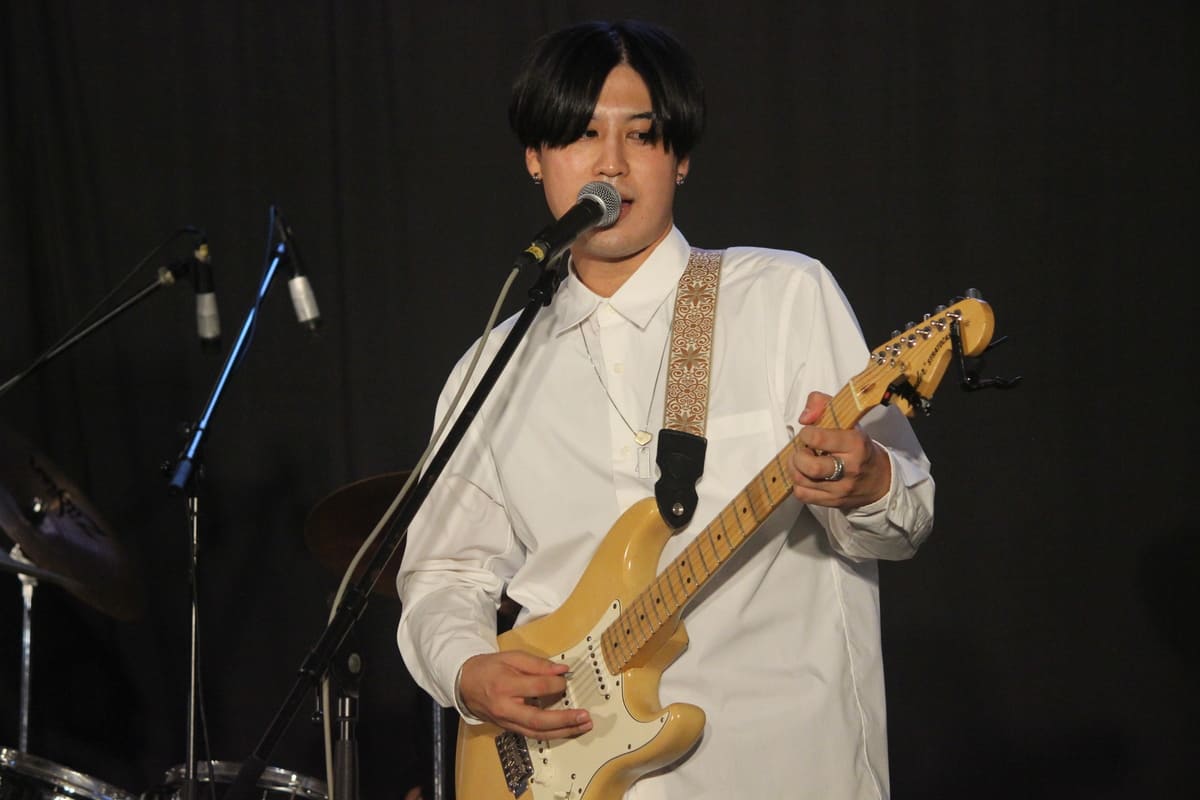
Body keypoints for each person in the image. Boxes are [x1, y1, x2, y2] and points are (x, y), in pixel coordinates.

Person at [397, 19, 934, 800]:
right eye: (581, 134)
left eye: (641, 136)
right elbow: (445, 572)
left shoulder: (782, 297)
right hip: (565, 771)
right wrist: (467, 669)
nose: (610, 163)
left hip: (780, 767)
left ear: (679, 158)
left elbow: (907, 514)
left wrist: (871, 481)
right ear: (535, 157)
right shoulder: (490, 367)